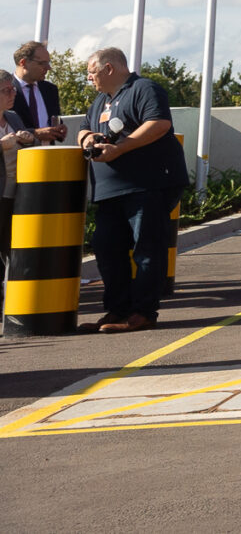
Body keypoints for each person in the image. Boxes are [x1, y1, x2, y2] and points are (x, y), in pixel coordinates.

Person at [79, 47, 188, 334]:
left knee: (146, 247)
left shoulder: (144, 89)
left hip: (147, 184)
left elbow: (159, 123)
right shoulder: (101, 101)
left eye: (92, 71)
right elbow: (82, 128)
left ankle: (142, 312)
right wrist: (89, 138)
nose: (89, 78)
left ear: (109, 69)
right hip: (110, 190)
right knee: (106, 246)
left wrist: (120, 147)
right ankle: (118, 309)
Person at [0, 72, 33, 302]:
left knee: (12, 250)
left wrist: (30, 139)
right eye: (6, 91)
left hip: (17, 194)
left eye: (13, 89)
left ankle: (12, 302)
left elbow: (33, 144)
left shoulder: (12, 117)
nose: (13, 94)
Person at [12, 42, 66, 145]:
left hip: (48, 155)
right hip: (19, 157)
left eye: (48, 63)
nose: (48, 68)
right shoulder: (6, 90)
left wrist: (59, 130)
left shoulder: (50, 90)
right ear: (23, 62)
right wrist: (35, 133)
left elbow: (54, 121)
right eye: (42, 63)